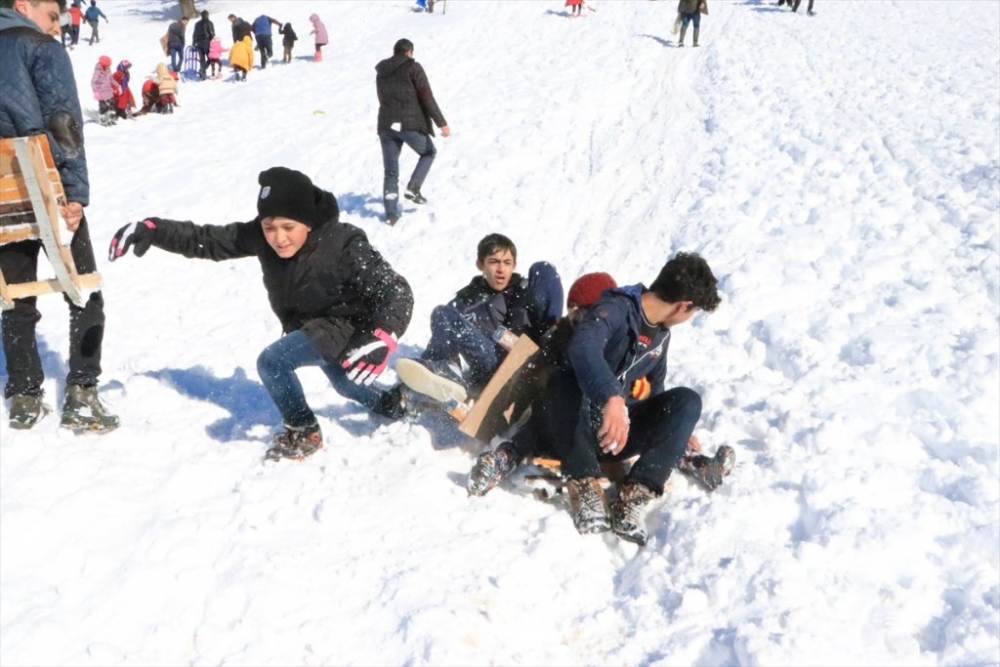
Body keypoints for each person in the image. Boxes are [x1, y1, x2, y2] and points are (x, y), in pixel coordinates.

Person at [107, 167, 413, 461]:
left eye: (288, 228)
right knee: (346, 384)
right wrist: (155, 230)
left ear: (307, 222)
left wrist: (383, 334)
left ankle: (304, 430)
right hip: (313, 324)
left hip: (348, 324)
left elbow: (395, 290)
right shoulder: (261, 236)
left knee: (274, 362)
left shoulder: (344, 243)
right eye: (269, 227)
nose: (278, 238)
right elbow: (209, 240)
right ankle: (394, 403)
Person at [507, 252, 721, 545]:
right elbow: (582, 348)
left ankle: (635, 495)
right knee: (561, 380)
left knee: (687, 402)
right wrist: (612, 398)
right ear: (683, 306)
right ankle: (583, 484)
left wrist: (675, 432)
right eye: (692, 312)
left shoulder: (661, 335)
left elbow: (655, 388)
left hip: (614, 436)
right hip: (572, 427)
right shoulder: (615, 308)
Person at [0, 0, 119, 432]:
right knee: (84, 287)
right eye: (52, 15)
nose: (56, 27)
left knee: (16, 293)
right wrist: (75, 195)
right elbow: (63, 121)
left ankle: (25, 394)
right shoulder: (38, 48)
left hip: (3, 202)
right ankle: (82, 392)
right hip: (46, 190)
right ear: (23, 5)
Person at [467, 271, 618, 496]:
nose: (575, 316)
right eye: (572, 308)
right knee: (544, 409)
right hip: (557, 421)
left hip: (596, 427)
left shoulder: (615, 339)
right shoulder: (563, 333)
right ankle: (505, 457)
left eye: (582, 310)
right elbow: (540, 368)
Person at [397, 233, 562, 404]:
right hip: (489, 364)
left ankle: (552, 332)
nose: (501, 269)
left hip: (525, 355)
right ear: (480, 264)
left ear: (514, 265)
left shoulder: (524, 290)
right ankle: (410, 394)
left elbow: (546, 278)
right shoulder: (465, 301)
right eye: (493, 262)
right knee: (443, 314)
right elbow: (441, 342)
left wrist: (549, 331)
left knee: (542, 267)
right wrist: (411, 379)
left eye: (507, 263)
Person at [374, 38, 450, 225]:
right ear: (409, 52)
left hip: (386, 125)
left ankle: (391, 214)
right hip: (410, 124)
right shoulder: (413, 68)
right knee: (428, 152)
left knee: (390, 171)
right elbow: (427, 97)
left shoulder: (381, 72)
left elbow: (381, 97)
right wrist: (442, 123)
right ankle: (413, 188)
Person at [90, 54, 118, 126]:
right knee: (103, 106)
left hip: (108, 91)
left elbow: (111, 79)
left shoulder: (108, 70)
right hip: (101, 93)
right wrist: (96, 92)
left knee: (112, 104)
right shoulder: (98, 72)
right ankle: (103, 120)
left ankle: (111, 118)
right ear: (104, 65)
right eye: (108, 65)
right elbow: (93, 82)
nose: (109, 66)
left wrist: (117, 85)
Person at [191, 10, 214, 80]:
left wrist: (194, 42)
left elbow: (194, 34)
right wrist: (212, 39)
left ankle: (203, 73)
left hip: (198, 42)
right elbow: (211, 32)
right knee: (211, 58)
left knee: (202, 59)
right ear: (207, 15)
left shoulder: (197, 24)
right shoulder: (209, 23)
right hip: (206, 41)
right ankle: (203, 69)